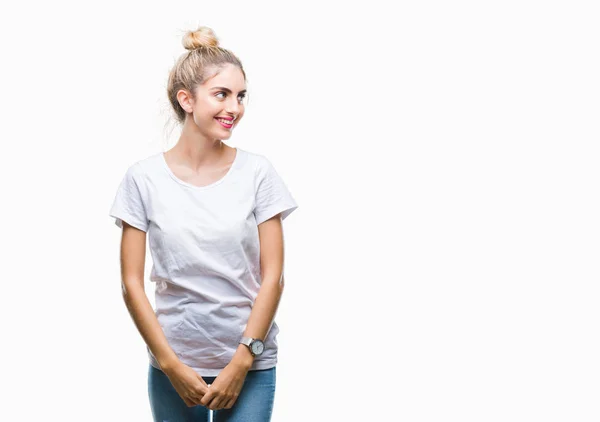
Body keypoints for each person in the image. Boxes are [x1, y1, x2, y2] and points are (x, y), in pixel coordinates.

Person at [109, 26, 298, 422]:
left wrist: (242, 361)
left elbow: (274, 276)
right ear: (186, 100)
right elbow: (131, 282)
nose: (235, 107)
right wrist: (172, 365)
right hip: (173, 365)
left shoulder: (258, 173)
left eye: (240, 96)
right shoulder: (143, 178)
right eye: (222, 94)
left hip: (249, 365)